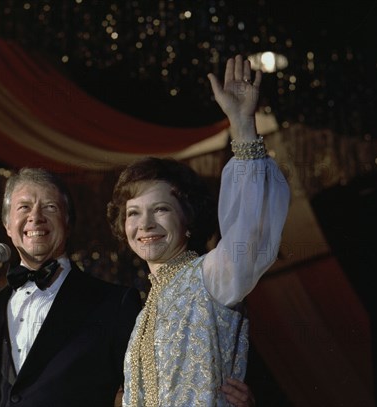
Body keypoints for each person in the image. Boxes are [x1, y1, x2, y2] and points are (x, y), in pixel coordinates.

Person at [106, 54, 290, 406]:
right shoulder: (145, 311)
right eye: (133, 213)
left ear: (187, 218)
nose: (144, 224)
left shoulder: (210, 275)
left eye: (160, 209)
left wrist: (243, 126)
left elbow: (248, 230)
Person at [0, 168, 142, 407]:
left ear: (68, 223)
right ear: (7, 225)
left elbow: (142, 394)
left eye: (50, 207)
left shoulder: (114, 304)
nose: (35, 216)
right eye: (24, 207)